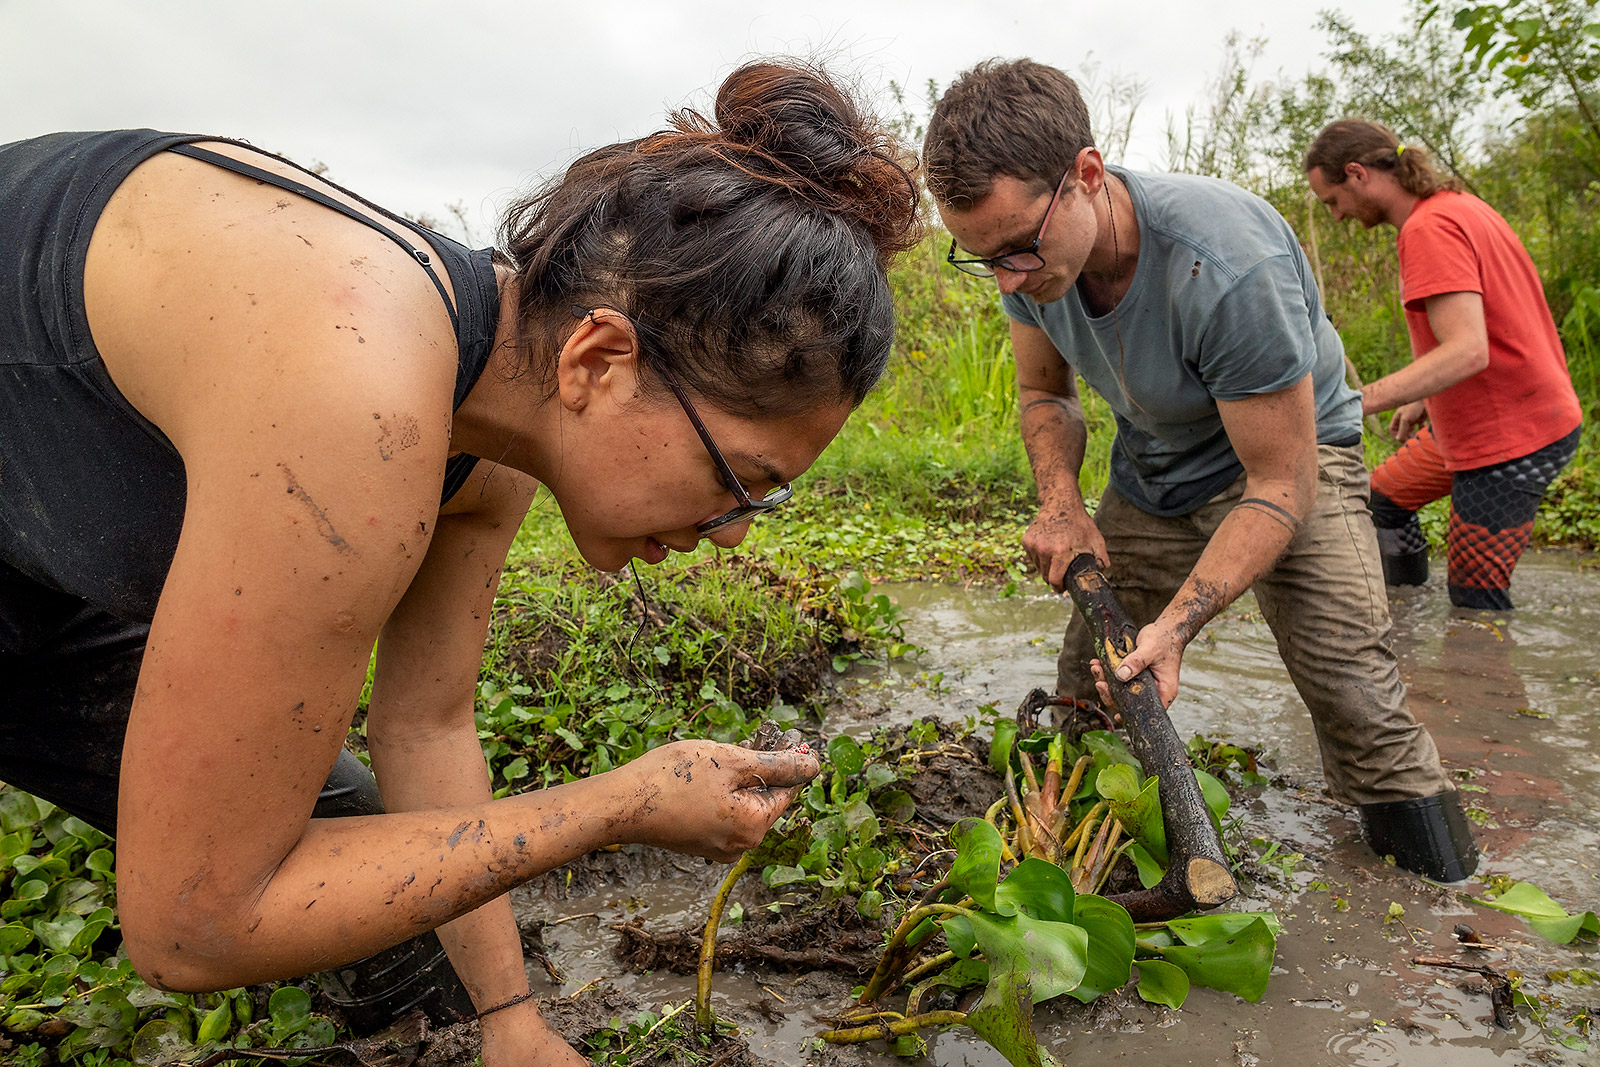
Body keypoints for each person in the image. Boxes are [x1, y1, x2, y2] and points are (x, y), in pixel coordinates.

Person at [0, 61, 919, 1065]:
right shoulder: (357, 394)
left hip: (38, 566)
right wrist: (614, 805)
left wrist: (508, 1016)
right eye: (742, 476)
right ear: (598, 361)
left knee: (372, 884)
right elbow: (191, 925)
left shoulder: (487, 429)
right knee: (238, 889)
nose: (737, 527)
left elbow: (426, 724)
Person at [921, 59, 1475, 881]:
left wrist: (1178, 626)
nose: (1008, 278)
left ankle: (1448, 914)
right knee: (1092, 681)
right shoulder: (1028, 257)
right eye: (983, 259)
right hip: (1155, 464)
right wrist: (1063, 502)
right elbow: (1044, 390)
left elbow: (1281, 485)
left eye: (1018, 251)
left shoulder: (1224, 264)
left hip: (1294, 459)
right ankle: (1088, 862)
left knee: (1355, 696)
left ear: (1088, 175)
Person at [1305, 120, 1583, 611]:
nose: (1337, 216)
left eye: (1332, 201)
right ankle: (1404, 616)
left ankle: (1479, 678)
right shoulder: (1456, 207)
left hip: (1512, 437)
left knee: (1476, 600)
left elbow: (1468, 349)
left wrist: (1355, 401)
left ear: (1357, 174)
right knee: (1382, 503)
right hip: (1485, 420)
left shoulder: (1429, 229)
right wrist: (1421, 394)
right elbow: (1485, 326)